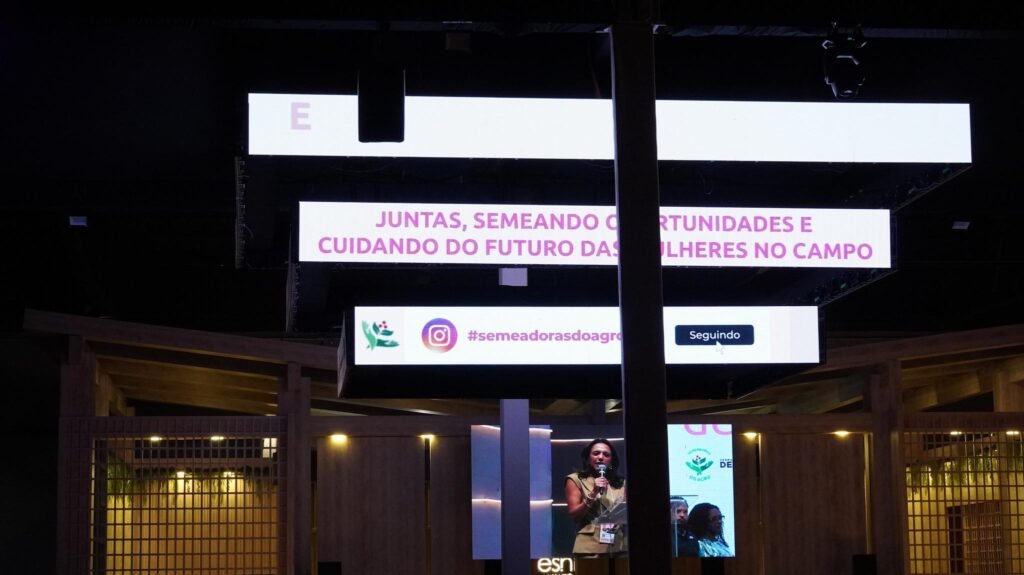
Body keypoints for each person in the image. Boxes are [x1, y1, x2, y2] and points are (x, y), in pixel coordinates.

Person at [564, 438, 627, 557]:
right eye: (596, 453)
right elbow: (574, 515)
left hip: (619, 547)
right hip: (589, 548)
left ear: (611, 461)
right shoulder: (576, 479)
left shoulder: (621, 483)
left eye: (606, 454)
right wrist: (593, 493)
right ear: (588, 458)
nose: (601, 457)